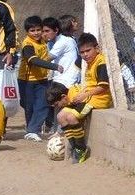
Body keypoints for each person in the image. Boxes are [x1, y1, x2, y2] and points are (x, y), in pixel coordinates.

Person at [46, 33, 112, 164]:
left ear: (96, 48)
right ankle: (73, 145)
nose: (85, 54)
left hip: (98, 99)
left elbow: (103, 87)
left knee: (71, 117)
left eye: (88, 50)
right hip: (88, 97)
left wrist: (85, 95)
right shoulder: (87, 63)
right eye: (82, 52)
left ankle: (81, 148)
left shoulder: (101, 62)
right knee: (60, 116)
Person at [17, 16, 62, 142]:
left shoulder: (43, 40)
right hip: (27, 81)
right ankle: (30, 130)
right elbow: (34, 60)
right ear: (27, 32)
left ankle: (33, 130)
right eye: (32, 30)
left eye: (38, 30)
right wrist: (54, 66)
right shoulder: (27, 44)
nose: (36, 33)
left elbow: (53, 33)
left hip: (42, 80)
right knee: (29, 106)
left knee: (43, 104)